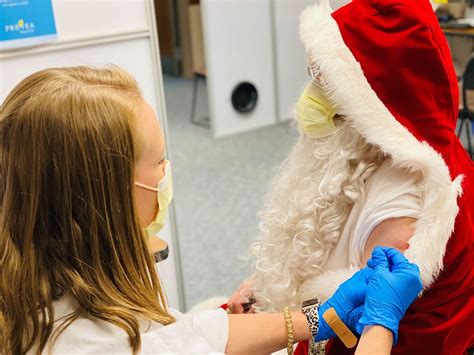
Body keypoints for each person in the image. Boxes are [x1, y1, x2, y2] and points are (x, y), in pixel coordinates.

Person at [0, 66, 422, 354]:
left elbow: (173, 340)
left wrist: (316, 317)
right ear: (105, 196)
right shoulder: (88, 344)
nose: (167, 174)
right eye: (159, 162)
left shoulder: (36, 286)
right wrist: (380, 325)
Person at [232, 0, 473, 354]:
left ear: (369, 96)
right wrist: (267, 288)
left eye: (325, 84)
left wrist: (278, 318)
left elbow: (353, 330)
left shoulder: (403, 204)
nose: (309, 97)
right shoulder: (376, 154)